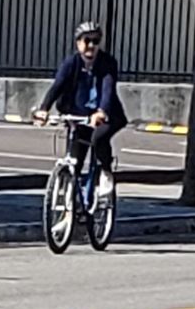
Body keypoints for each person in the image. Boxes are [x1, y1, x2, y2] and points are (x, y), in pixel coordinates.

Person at [32, 21, 128, 205]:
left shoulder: (108, 63)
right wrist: (44, 109)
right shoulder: (71, 63)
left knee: (98, 139)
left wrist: (101, 111)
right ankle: (72, 204)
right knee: (75, 158)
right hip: (79, 114)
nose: (91, 45)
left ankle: (106, 173)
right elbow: (57, 86)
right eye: (87, 40)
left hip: (107, 115)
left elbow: (108, 89)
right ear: (78, 43)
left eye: (96, 41)